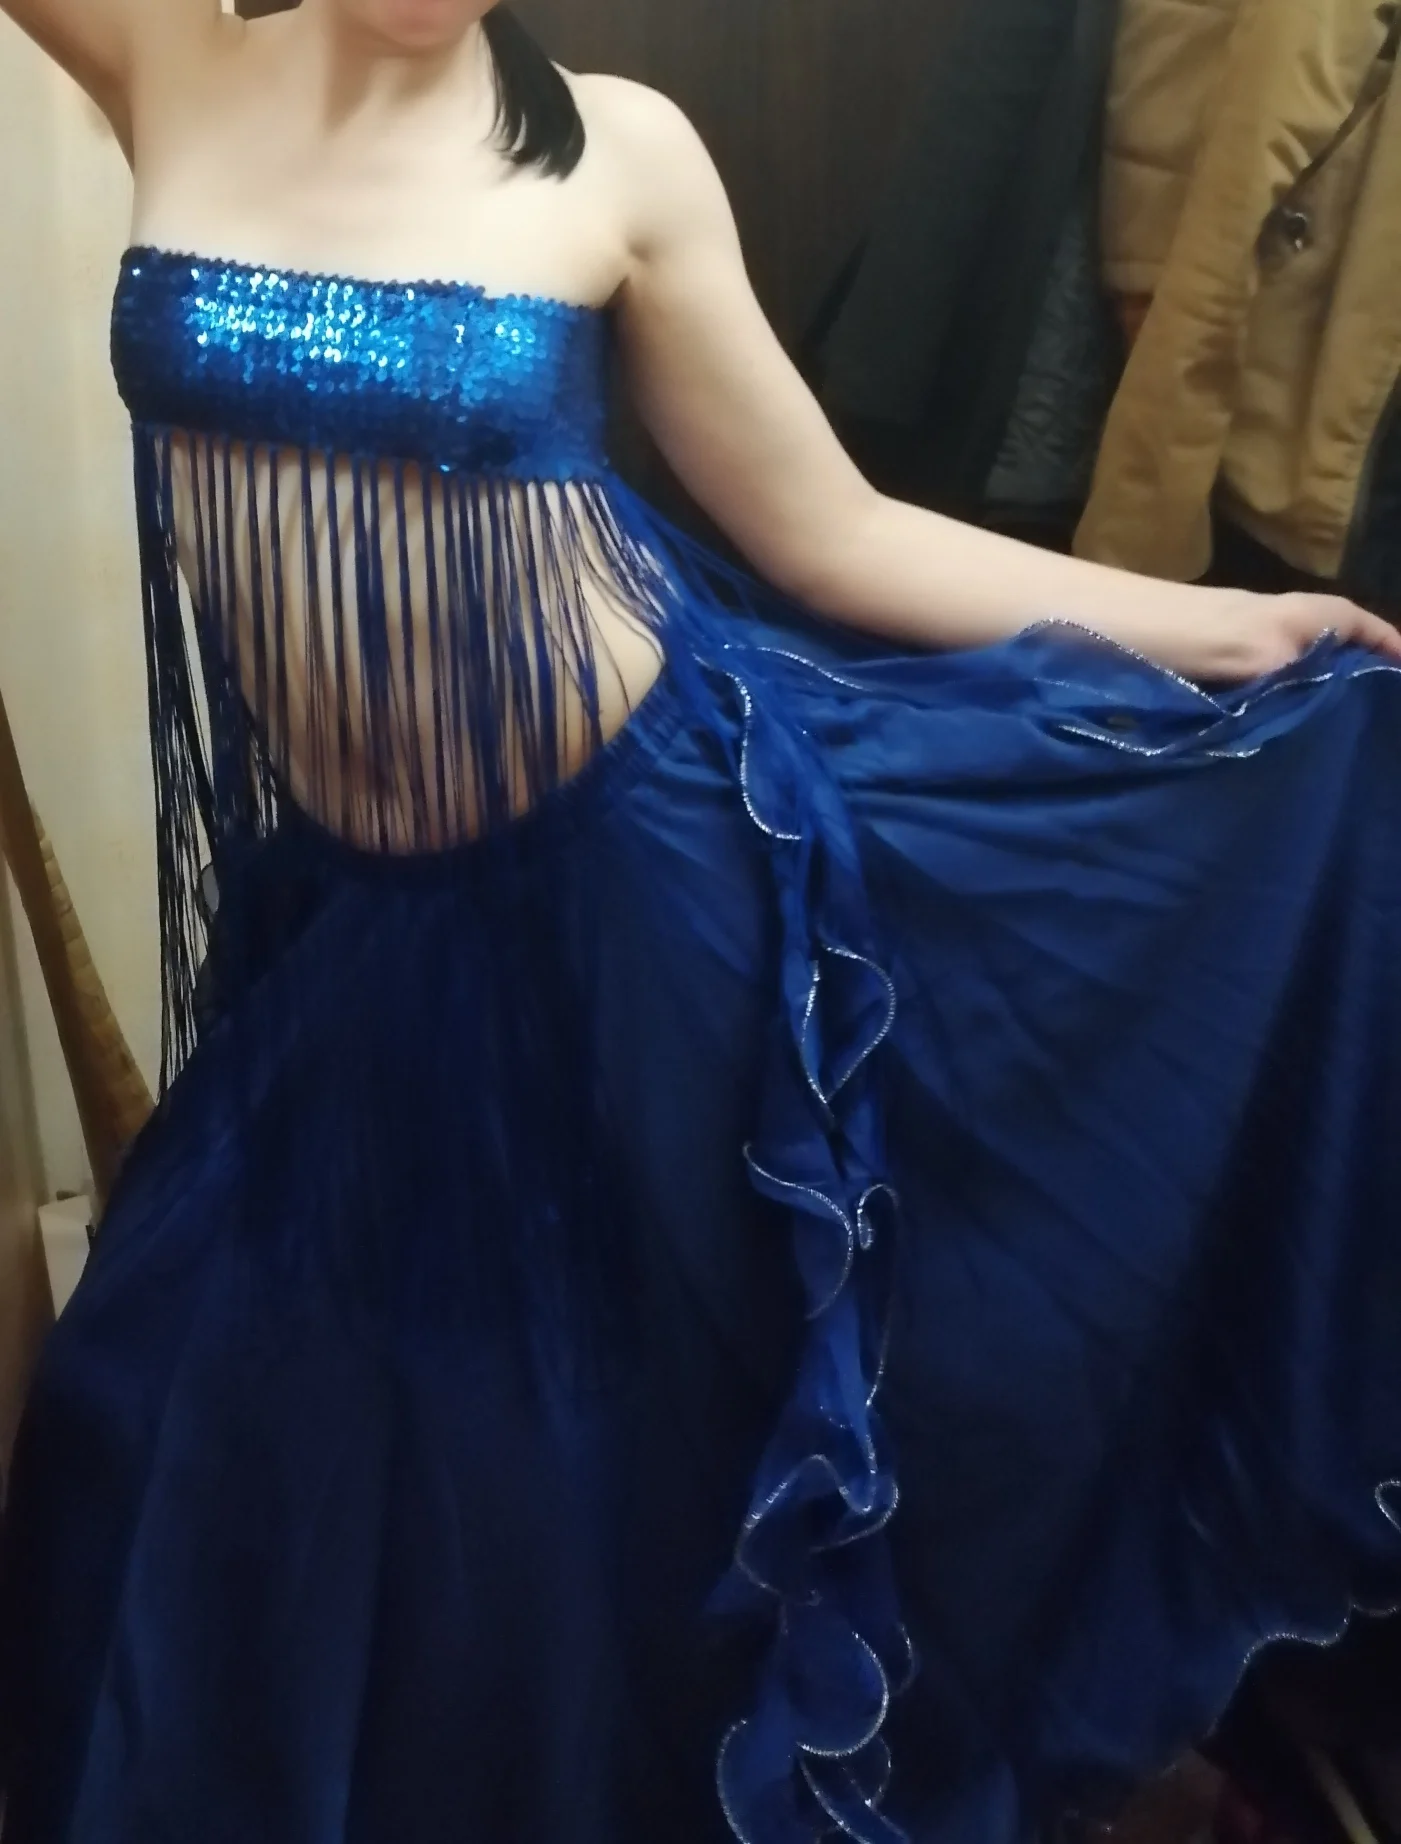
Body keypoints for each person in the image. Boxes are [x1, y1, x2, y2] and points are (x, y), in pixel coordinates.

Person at [1, 3, 1399, 1842]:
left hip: (652, 890)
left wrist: (1231, 627)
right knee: (189, 1402)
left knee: (630, 1473)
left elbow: (836, 534)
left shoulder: (618, 150)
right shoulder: (165, 59)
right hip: (374, 932)